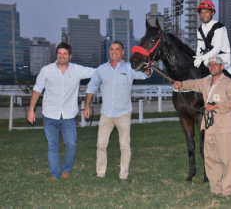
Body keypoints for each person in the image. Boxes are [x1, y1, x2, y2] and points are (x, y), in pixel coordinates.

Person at [84, 40, 152, 180]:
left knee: (124, 146)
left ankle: (123, 176)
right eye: (112, 49)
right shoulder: (101, 69)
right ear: (109, 51)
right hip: (106, 114)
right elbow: (91, 87)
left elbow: (145, 75)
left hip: (123, 114)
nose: (114, 51)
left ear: (122, 52)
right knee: (101, 145)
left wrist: (148, 66)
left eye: (117, 49)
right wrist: (86, 106)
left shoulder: (129, 68)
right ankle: (100, 174)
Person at [27, 42, 95, 180]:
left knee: (71, 144)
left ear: (70, 56)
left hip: (68, 115)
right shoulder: (46, 70)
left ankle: (66, 170)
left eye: (65, 53)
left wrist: (114, 63)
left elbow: (97, 71)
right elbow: (37, 90)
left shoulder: (77, 70)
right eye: (59, 53)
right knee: (52, 145)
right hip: (50, 114)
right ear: (56, 54)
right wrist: (31, 110)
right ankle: (54, 173)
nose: (62, 56)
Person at [173, 56, 231, 196]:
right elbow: (193, 83)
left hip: (223, 128)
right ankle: (215, 188)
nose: (212, 66)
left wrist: (217, 106)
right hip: (208, 126)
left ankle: (227, 190)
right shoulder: (206, 81)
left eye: (216, 64)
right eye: (210, 64)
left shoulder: (229, 83)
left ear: (222, 67)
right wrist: (181, 85)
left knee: (226, 160)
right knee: (211, 159)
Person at [193, 0, 231, 69]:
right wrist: (198, 56)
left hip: (222, 57)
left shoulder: (219, 27)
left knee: (208, 62)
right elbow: (200, 46)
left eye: (206, 12)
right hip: (209, 57)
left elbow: (217, 49)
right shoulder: (200, 29)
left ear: (213, 13)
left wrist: (202, 58)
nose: (203, 15)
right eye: (201, 13)